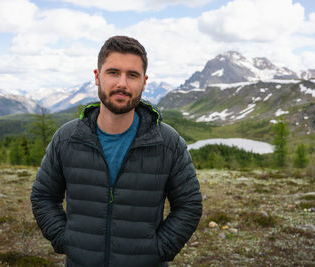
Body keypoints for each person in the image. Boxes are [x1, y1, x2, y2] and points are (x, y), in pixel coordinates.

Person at [31, 35, 202, 267]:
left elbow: (189, 205)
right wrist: (66, 240)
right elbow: (43, 196)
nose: (122, 83)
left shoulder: (168, 142)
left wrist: (159, 249)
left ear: (144, 82)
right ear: (96, 77)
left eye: (132, 75)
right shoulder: (67, 138)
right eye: (113, 72)